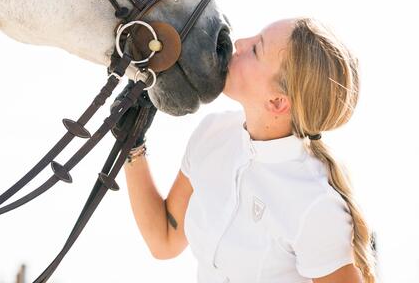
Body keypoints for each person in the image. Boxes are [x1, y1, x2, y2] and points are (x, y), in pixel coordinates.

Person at [113, 17, 377, 283]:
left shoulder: (318, 207)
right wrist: (132, 146)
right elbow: (165, 240)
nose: (239, 43)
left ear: (276, 102)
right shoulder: (212, 133)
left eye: (255, 49)